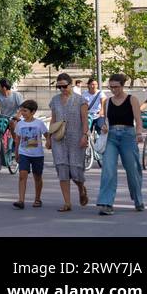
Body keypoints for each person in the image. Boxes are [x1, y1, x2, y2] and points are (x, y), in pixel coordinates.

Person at [97, 73, 144, 215]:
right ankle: (106, 203)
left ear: (122, 86)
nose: (113, 90)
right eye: (111, 87)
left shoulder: (132, 99)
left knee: (132, 169)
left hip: (128, 136)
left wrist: (139, 133)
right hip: (111, 135)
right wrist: (103, 127)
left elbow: (138, 119)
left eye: (116, 87)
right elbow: (105, 120)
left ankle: (138, 199)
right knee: (108, 169)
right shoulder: (108, 102)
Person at [46, 72, 89, 211]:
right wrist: (48, 137)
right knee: (62, 168)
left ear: (70, 84)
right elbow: (53, 119)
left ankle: (81, 189)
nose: (62, 89)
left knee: (76, 170)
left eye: (64, 86)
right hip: (58, 138)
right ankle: (67, 202)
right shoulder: (55, 100)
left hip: (76, 138)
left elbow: (84, 120)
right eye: (59, 87)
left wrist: (85, 136)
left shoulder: (80, 100)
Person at [12, 100, 47, 209]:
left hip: (37, 155)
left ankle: (37, 199)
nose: (22, 113)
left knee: (37, 177)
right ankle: (21, 200)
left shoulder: (39, 123)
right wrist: (16, 153)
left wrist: (50, 142)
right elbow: (17, 139)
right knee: (22, 176)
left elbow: (47, 135)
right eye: (21, 110)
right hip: (24, 154)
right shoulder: (20, 124)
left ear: (33, 112)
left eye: (25, 111)